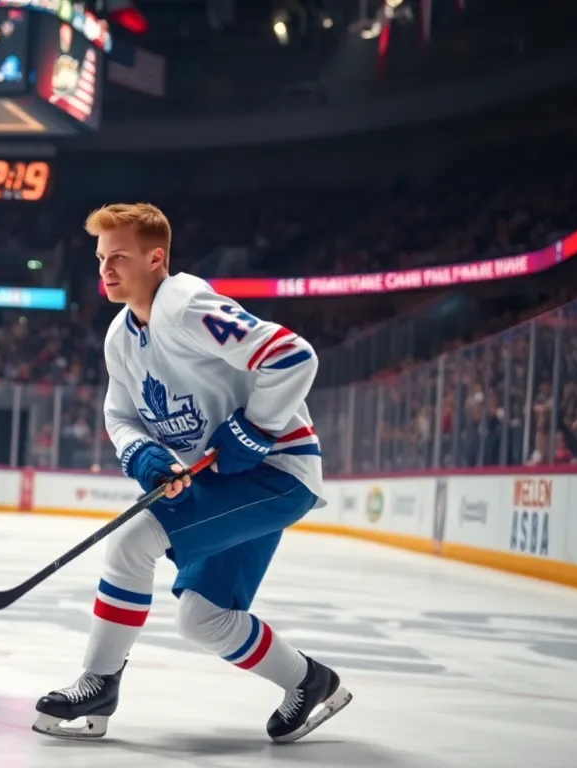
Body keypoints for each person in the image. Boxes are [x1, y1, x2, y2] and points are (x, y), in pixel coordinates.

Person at [31, 203, 351, 743]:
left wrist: (254, 428)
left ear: (157, 258)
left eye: (120, 258)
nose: (106, 269)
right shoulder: (119, 337)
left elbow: (293, 356)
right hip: (226, 478)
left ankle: (99, 683)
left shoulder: (183, 303)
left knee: (133, 543)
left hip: (276, 471)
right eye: (101, 257)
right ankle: (312, 682)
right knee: (203, 618)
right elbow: (120, 415)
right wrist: (141, 455)